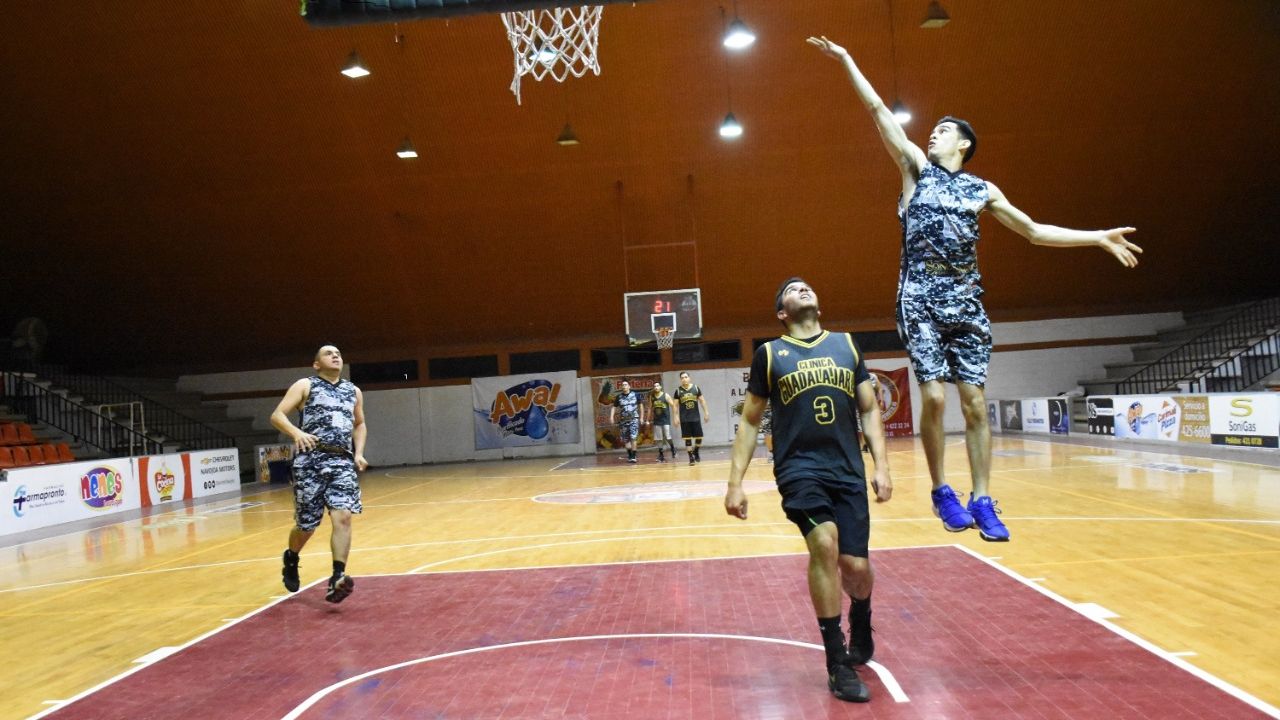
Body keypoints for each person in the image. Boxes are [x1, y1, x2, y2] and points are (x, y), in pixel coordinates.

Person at [807, 36, 1143, 542]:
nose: (933, 133)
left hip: (966, 303)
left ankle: (982, 498)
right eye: (933, 129)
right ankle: (942, 491)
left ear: (963, 144)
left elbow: (1034, 231)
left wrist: (1095, 237)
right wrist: (848, 60)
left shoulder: (982, 189)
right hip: (920, 299)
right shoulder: (916, 169)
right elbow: (878, 110)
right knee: (934, 398)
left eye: (943, 130)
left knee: (974, 404)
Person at [725, 278, 893, 703]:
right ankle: (837, 663)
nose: (802, 288)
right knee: (823, 542)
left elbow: (869, 409)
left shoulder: (846, 345)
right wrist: (735, 483)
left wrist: (881, 465)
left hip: (847, 469)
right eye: (792, 288)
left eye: (807, 286)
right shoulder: (770, 354)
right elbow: (750, 421)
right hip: (799, 468)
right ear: (781, 313)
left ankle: (861, 614)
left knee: (855, 567)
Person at [270, 345, 368, 603]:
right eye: (328, 353)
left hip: (342, 461)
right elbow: (277, 415)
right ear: (316, 364)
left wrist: (358, 453)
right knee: (307, 525)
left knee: (343, 516)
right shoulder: (306, 385)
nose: (335, 356)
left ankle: (337, 577)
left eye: (338, 353)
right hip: (310, 462)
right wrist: (297, 433)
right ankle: (291, 557)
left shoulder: (353, 391)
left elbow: (359, 424)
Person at [673, 371, 710, 465]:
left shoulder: (695, 388)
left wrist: (706, 412)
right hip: (684, 418)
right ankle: (691, 457)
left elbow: (702, 401)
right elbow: (675, 405)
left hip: (695, 417)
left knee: (699, 437)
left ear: (689, 378)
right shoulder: (678, 391)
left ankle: (696, 451)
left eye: (686, 377)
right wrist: (675, 417)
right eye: (682, 378)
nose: (684, 379)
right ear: (680, 380)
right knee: (687, 439)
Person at [609, 380, 642, 464]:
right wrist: (611, 417)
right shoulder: (619, 397)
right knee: (626, 439)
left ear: (629, 386)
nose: (624, 386)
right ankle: (630, 454)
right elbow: (614, 407)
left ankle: (634, 456)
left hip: (633, 419)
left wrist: (641, 417)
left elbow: (641, 405)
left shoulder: (635, 395)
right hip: (623, 421)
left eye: (626, 384)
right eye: (622, 385)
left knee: (633, 437)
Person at [648, 381, 677, 462]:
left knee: (668, 436)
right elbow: (650, 408)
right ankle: (661, 454)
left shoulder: (665, 395)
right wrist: (647, 419)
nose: (656, 387)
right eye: (655, 386)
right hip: (657, 420)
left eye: (657, 386)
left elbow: (673, 406)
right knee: (659, 438)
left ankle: (673, 448)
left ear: (660, 387)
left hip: (665, 419)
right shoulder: (652, 397)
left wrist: (675, 416)